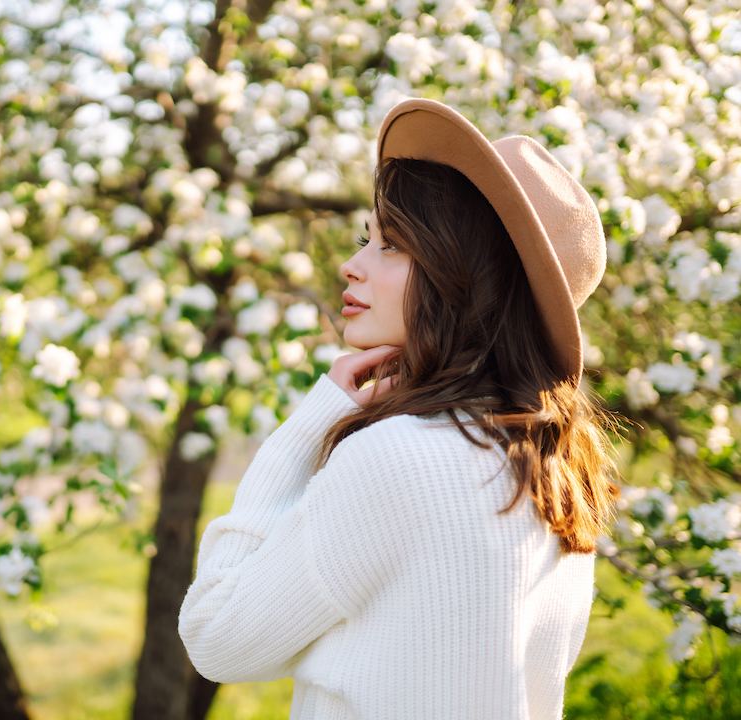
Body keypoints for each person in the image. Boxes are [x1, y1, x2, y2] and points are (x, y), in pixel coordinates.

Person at [178, 98, 620, 720]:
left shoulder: (397, 459)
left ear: (461, 276)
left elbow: (217, 639)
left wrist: (305, 430)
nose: (350, 265)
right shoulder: (557, 472)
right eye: (367, 239)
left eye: (390, 245)